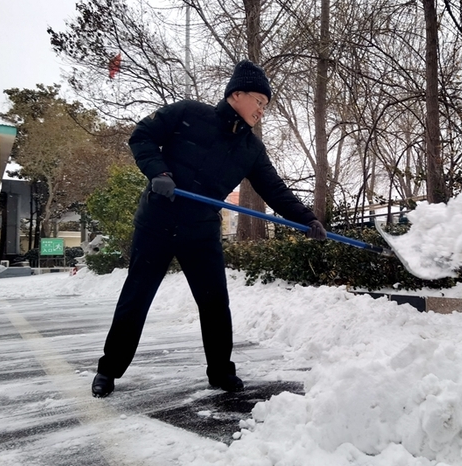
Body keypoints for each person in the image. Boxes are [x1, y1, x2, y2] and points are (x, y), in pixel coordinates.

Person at [92, 60, 328, 398]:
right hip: (156, 223)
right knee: (136, 299)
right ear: (237, 94)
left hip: (200, 231)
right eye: (259, 101)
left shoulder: (250, 149)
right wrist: (158, 172)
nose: (262, 110)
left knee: (215, 304)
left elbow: (274, 189)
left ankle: (220, 372)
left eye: (266, 105)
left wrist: (307, 219)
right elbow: (141, 136)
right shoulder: (188, 113)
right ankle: (108, 370)